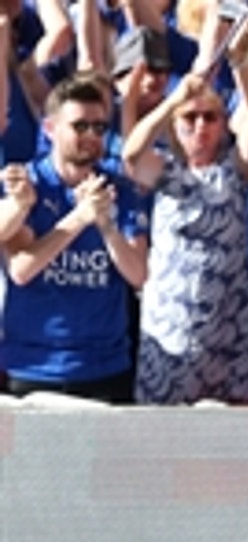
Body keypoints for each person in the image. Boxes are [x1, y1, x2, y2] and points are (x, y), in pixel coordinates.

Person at [122, 55, 248, 403]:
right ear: (175, 125)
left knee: (234, 434)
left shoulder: (234, 168)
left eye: (210, 117)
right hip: (174, 323)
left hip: (231, 321)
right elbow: (131, 153)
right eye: (190, 118)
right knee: (166, 433)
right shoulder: (165, 170)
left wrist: (242, 67)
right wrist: (174, 99)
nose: (201, 126)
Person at [0, 76, 147, 401]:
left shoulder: (120, 189)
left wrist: (107, 225)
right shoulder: (27, 185)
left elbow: (138, 274)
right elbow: (22, 269)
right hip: (33, 366)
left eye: (99, 127)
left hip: (104, 367)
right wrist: (80, 217)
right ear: (50, 129)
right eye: (80, 126)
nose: (92, 136)